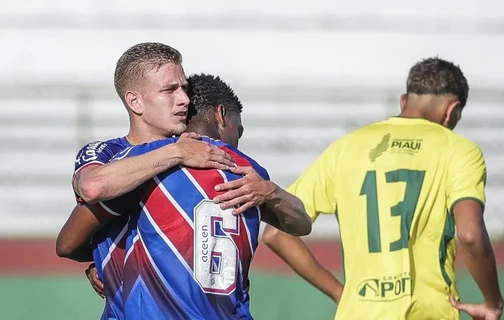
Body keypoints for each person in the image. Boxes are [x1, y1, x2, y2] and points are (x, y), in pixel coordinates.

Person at [234, 57, 503, 320]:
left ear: (403, 101)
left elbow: (276, 234)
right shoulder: (458, 149)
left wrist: (343, 294)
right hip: (429, 312)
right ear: (452, 111)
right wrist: (492, 302)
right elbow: (469, 235)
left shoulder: (347, 147)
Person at [57, 73, 312, 319]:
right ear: (221, 115)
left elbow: (68, 243)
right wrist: (272, 191)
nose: (237, 141)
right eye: (239, 131)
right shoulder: (249, 173)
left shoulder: (144, 166)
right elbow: (301, 223)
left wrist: (107, 264)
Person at [56, 42, 234, 320]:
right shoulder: (107, 153)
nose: (184, 99)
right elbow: (91, 188)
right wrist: (104, 264)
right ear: (134, 101)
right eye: (169, 90)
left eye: (183, 87)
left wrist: (268, 192)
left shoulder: (197, 150)